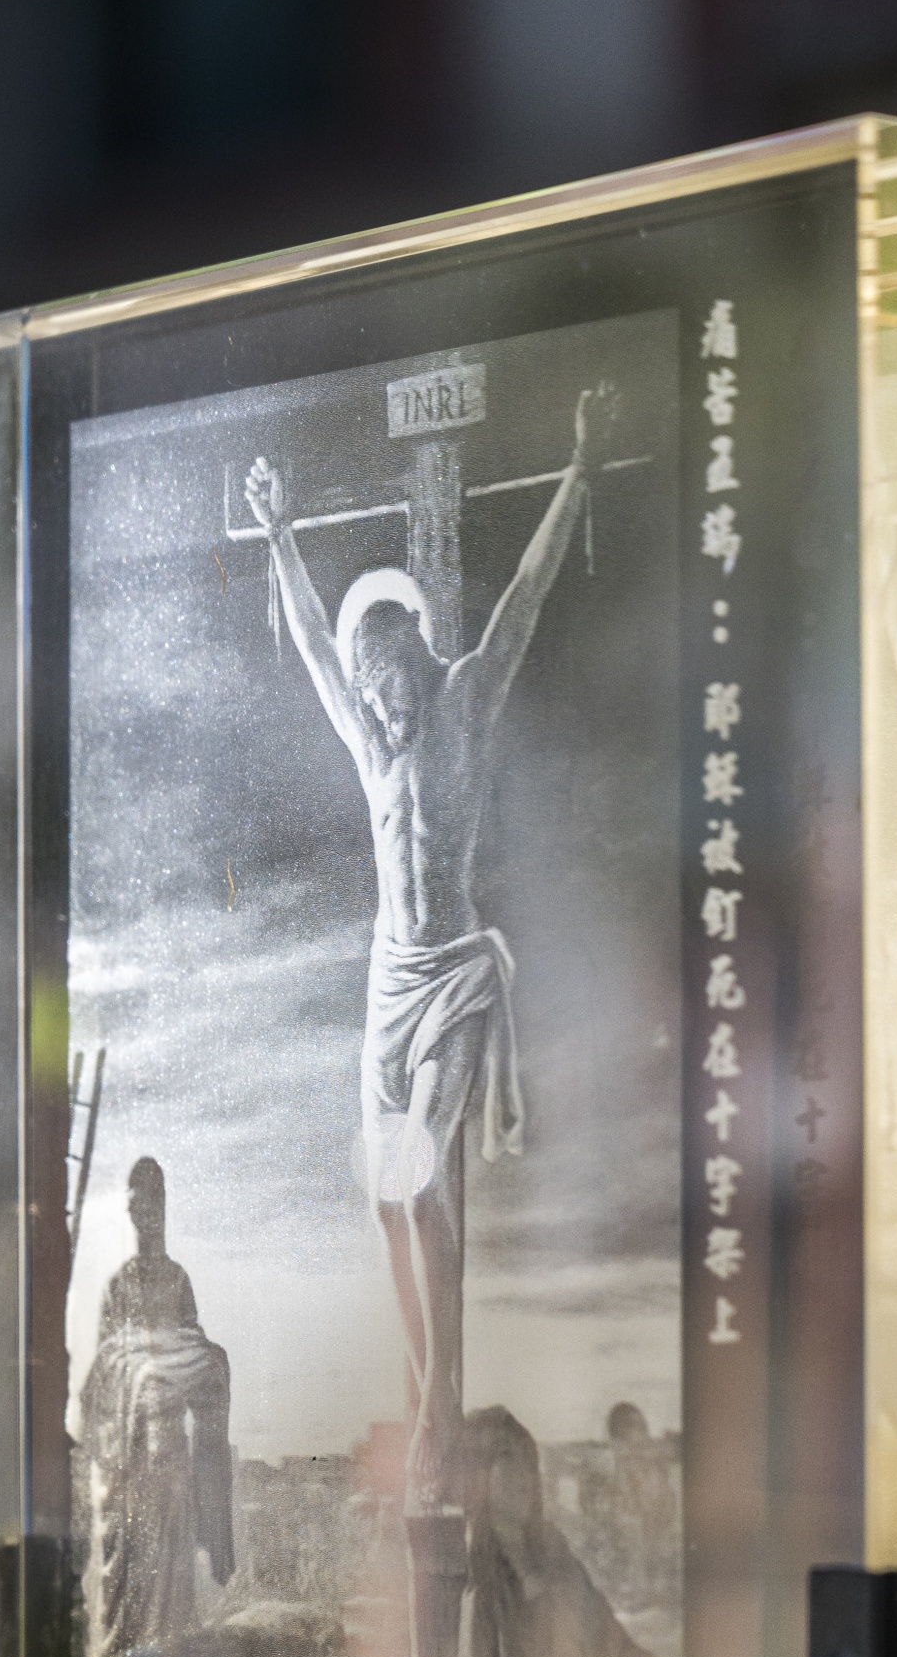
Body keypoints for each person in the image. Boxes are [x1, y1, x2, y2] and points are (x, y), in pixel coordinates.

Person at [244, 380, 617, 1513]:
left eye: (387, 681)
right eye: (368, 689)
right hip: (388, 979)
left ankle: (439, 1403)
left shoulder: (463, 703)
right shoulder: (369, 739)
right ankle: (428, 1397)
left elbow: (526, 597)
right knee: (384, 1198)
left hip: (455, 971)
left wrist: (580, 470)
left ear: (412, 656)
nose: (377, 701)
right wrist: (278, 533)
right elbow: (314, 646)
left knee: (421, 1177)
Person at [78, 1158, 233, 1657]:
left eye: (154, 1202)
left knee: (171, 1556)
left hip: (169, 1451)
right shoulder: (119, 1284)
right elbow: (106, 1365)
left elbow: (193, 1343)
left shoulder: (177, 1278)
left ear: (162, 1208)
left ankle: (171, 1641)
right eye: (139, 1203)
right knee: (130, 1556)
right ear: (131, 1212)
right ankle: (129, 1645)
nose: (147, 1214)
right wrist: (144, 1367)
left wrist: (173, 1359)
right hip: (129, 1453)